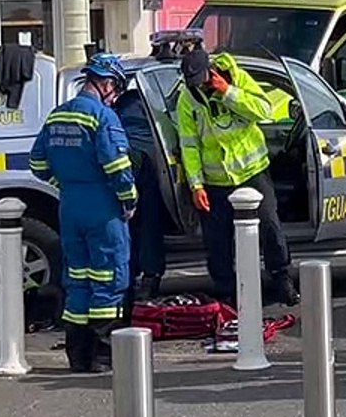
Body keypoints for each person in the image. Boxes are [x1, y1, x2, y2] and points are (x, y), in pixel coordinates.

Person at [28, 53, 137, 373]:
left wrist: (66, 182)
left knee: (77, 279)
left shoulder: (56, 116)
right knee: (109, 277)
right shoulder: (103, 117)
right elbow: (117, 167)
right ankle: (102, 356)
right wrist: (128, 201)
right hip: (102, 207)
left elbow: (37, 165)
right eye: (115, 88)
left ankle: (78, 354)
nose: (115, 95)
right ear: (105, 83)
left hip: (70, 204)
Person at [176, 48, 298, 306]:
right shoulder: (187, 99)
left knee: (270, 226)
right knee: (217, 241)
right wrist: (196, 184)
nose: (201, 88)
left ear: (211, 72)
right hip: (215, 181)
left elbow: (264, 110)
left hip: (252, 173)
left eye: (203, 81)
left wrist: (228, 92)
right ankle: (226, 291)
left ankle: (281, 277)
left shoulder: (237, 78)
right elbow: (189, 145)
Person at [114, 84, 166, 302]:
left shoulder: (116, 104)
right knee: (149, 224)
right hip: (143, 163)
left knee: (130, 226)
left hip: (125, 165)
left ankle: (131, 278)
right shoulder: (157, 92)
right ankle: (149, 276)